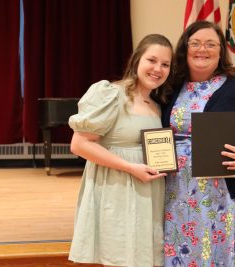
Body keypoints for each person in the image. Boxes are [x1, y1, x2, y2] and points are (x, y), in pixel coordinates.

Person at [161, 21, 235, 266]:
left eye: (210, 44)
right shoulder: (170, 85)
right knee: (185, 250)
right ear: (185, 48)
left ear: (221, 50)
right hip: (179, 192)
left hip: (229, 194)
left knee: (229, 254)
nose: (202, 49)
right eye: (195, 43)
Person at [68, 34, 173, 267]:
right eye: (152, 60)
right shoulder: (111, 94)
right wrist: (130, 167)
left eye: (165, 64)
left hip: (148, 192)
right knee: (119, 257)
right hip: (117, 189)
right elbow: (80, 144)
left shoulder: (157, 104)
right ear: (137, 60)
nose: (158, 69)